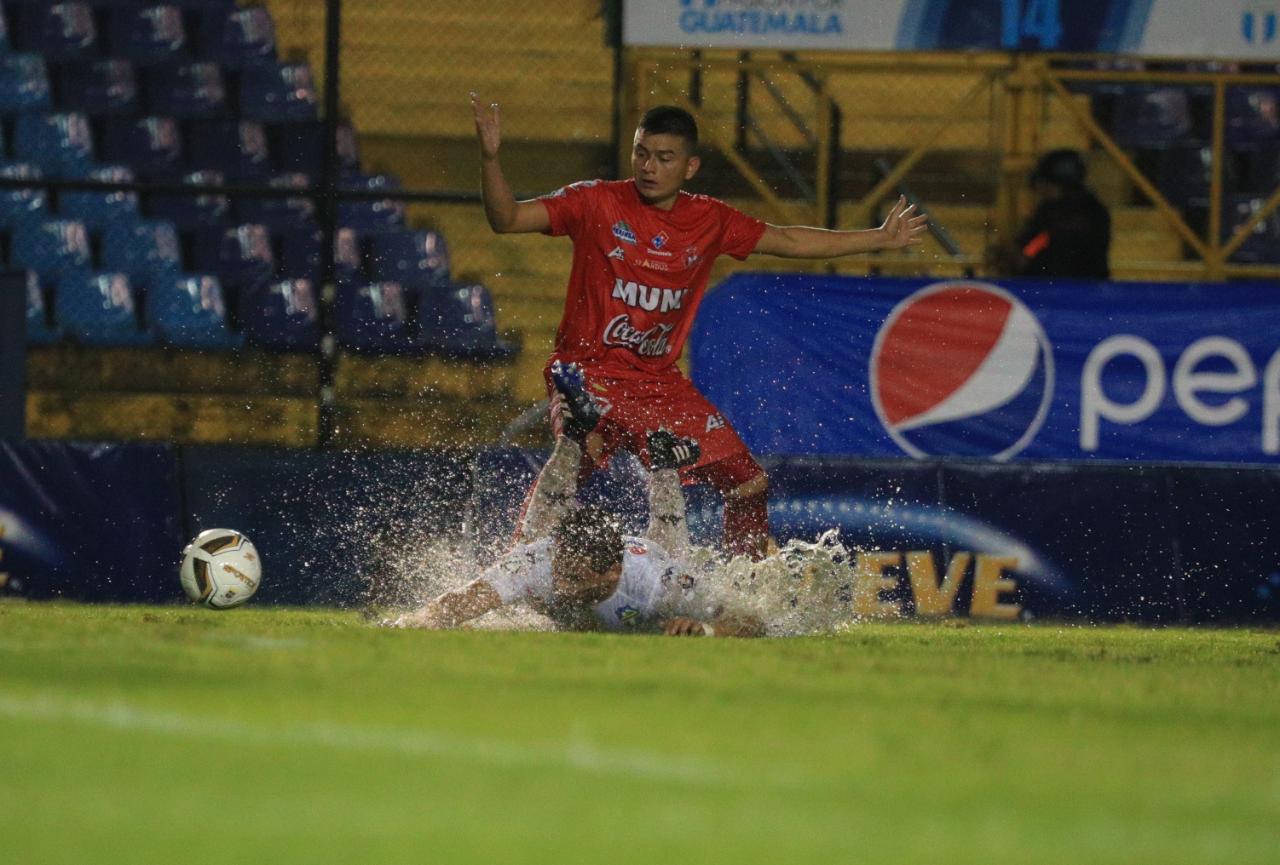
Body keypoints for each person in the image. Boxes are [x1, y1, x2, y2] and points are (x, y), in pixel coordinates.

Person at [472, 93, 927, 560]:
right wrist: (491, 159)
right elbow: (505, 219)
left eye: (664, 158)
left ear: (690, 166)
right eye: (641, 154)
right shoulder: (595, 202)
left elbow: (788, 239)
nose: (649, 167)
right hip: (588, 372)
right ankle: (512, 574)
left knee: (750, 484)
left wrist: (879, 238)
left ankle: (743, 597)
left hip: (657, 383)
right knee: (576, 455)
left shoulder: (709, 219)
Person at [395, 365, 761, 637]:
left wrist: (704, 630)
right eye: (560, 569)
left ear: (612, 574)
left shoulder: (657, 581)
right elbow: (461, 602)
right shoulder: (540, 561)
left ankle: (663, 463)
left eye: (572, 577)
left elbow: (750, 623)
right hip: (582, 548)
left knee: (669, 544)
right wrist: (413, 623)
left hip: (651, 556)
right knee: (530, 536)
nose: (560, 585)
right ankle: (573, 436)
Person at [1001, 148, 1112, 279]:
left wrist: (1015, 255)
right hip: (1086, 288)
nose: (1041, 190)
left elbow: (1027, 254)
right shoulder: (1094, 210)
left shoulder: (1055, 214)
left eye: (1045, 183)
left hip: (1055, 288)